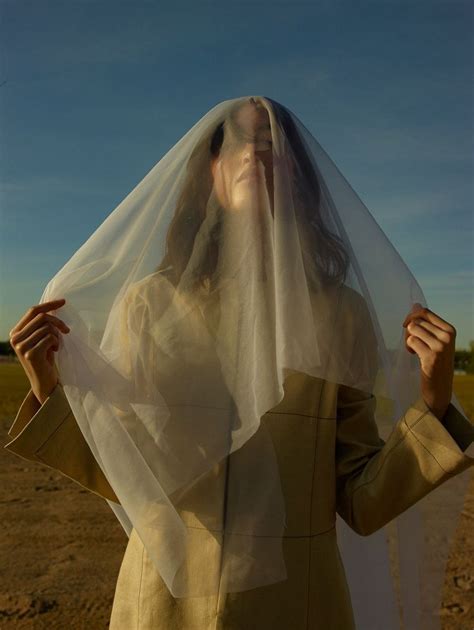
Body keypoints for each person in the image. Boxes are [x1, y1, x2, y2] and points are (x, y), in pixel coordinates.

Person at [5, 96, 474, 629]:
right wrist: (49, 389)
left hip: (296, 603)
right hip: (163, 602)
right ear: (211, 169)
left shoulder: (341, 313)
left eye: (275, 145)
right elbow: (128, 473)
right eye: (239, 140)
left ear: (300, 175)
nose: (257, 151)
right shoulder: (150, 303)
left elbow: (361, 499)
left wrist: (433, 405)